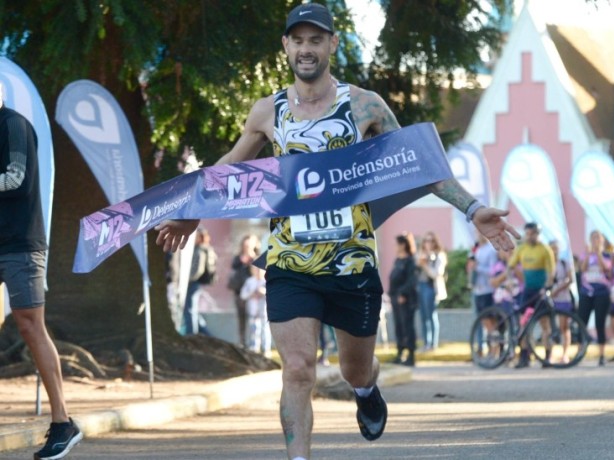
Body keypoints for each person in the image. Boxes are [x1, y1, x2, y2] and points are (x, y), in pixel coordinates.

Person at [153, 4, 519, 458]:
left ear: (332, 44)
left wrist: (473, 208)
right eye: (298, 40)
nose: (306, 49)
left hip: (352, 261)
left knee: (354, 370)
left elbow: (417, 164)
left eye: (316, 39)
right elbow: (232, 166)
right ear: (286, 46)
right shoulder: (268, 111)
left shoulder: (365, 104)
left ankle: (366, 390)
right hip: (290, 260)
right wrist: (192, 210)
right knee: (298, 370)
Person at [0, 81, 82, 459]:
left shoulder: (13, 124)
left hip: (20, 244)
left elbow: (16, 179)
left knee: (30, 326)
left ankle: (63, 423)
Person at [507, 223, 555, 368]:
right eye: (528, 233)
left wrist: (547, 285)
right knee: (524, 323)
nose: (530, 236)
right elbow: (510, 266)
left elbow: (551, 271)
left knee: (545, 325)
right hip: (528, 291)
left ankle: (547, 357)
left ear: (538, 234)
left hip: (540, 290)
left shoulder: (545, 249)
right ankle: (524, 357)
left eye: (533, 233)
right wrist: (511, 280)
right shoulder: (522, 249)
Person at [579, 230, 613, 366]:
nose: (595, 241)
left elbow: (605, 268)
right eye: (593, 238)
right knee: (582, 322)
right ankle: (580, 352)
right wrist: (588, 254)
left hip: (601, 293)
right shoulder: (585, 254)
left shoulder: (607, 255)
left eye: (598, 238)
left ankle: (601, 355)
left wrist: (598, 253)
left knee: (600, 323)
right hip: (586, 292)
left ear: (602, 241)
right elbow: (582, 268)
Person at [388, 232, 418, 366]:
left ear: (403, 245)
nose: (396, 246)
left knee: (407, 327)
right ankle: (400, 353)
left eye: (398, 244)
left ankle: (411, 355)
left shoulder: (410, 261)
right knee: (399, 326)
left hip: (405, 299)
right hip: (395, 297)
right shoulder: (398, 260)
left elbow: (412, 281)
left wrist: (403, 293)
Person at [417, 231, 447, 351]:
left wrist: (425, 265)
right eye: (426, 240)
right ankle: (426, 343)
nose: (428, 243)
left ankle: (433, 344)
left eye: (430, 240)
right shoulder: (421, 254)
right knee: (423, 316)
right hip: (421, 286)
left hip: (431, 287)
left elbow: (437, 273)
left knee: (431, 315)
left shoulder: (439, 255)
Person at [229, 234, 260, 348]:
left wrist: (250, 260)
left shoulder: (256, 258)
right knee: (241, 318)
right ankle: (242, 342)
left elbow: (258, 273)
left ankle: (254, 344)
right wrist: (242, 261)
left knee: (254, 320)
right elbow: (234, 268)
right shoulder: (238, 258)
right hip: (239, 291)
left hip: (252, 294)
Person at [183, 228, 215, 336]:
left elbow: (198, 270)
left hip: (193, 283)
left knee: (190, 309)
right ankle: (206, 334)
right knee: (193, 310)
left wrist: (186, 280)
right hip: (195, 283)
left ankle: (192, 334)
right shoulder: (200, 249)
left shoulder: (200, 250)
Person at [549, 240, 574, 365]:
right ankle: (551, 354)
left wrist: (558, 289)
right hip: (550, 300)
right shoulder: (547, 264)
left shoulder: (564, 263)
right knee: (552, 327)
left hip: (563, 298)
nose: (554, 251)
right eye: (552, 248)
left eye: (556, 248)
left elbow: (570, 279)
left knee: (564, 327)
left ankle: (565, 354)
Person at [241, 265, 271, 355]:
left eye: (259, 270)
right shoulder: (250, 281)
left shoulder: (266, 281)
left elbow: (271, 294)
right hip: (253, 310)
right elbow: (243, 295)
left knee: (264, 330)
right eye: (255, 269)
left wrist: (263, 292)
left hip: (264, 311)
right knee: (254, 330)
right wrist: (251, 293)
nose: (257, 271)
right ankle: (254, 348)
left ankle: (266, 349)